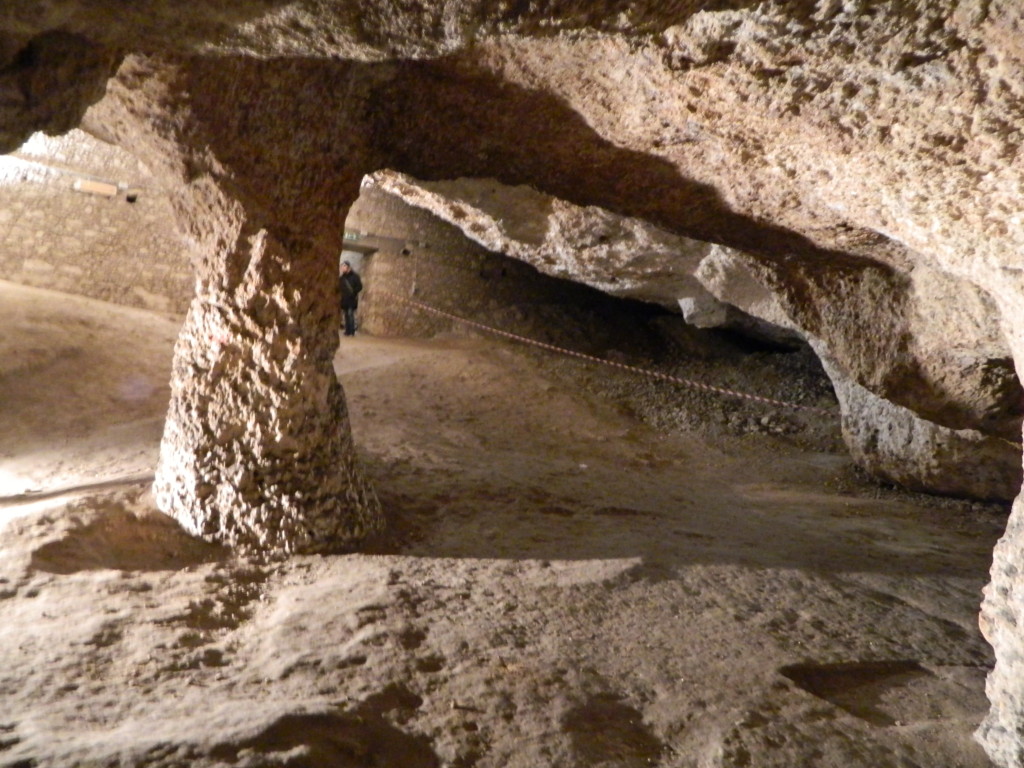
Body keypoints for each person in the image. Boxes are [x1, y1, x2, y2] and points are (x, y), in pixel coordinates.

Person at [338, 260, 363, 336]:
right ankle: (347, 330)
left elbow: (360, 286)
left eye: (343, 266)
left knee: (350, 314)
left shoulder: (355, 276)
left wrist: (354, 292)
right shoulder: (342, 278)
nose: (342, 268)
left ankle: (351, 331)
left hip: (351, 299)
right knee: (346, 315)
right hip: (344, 299)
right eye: (342, 267)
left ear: (348, 267)